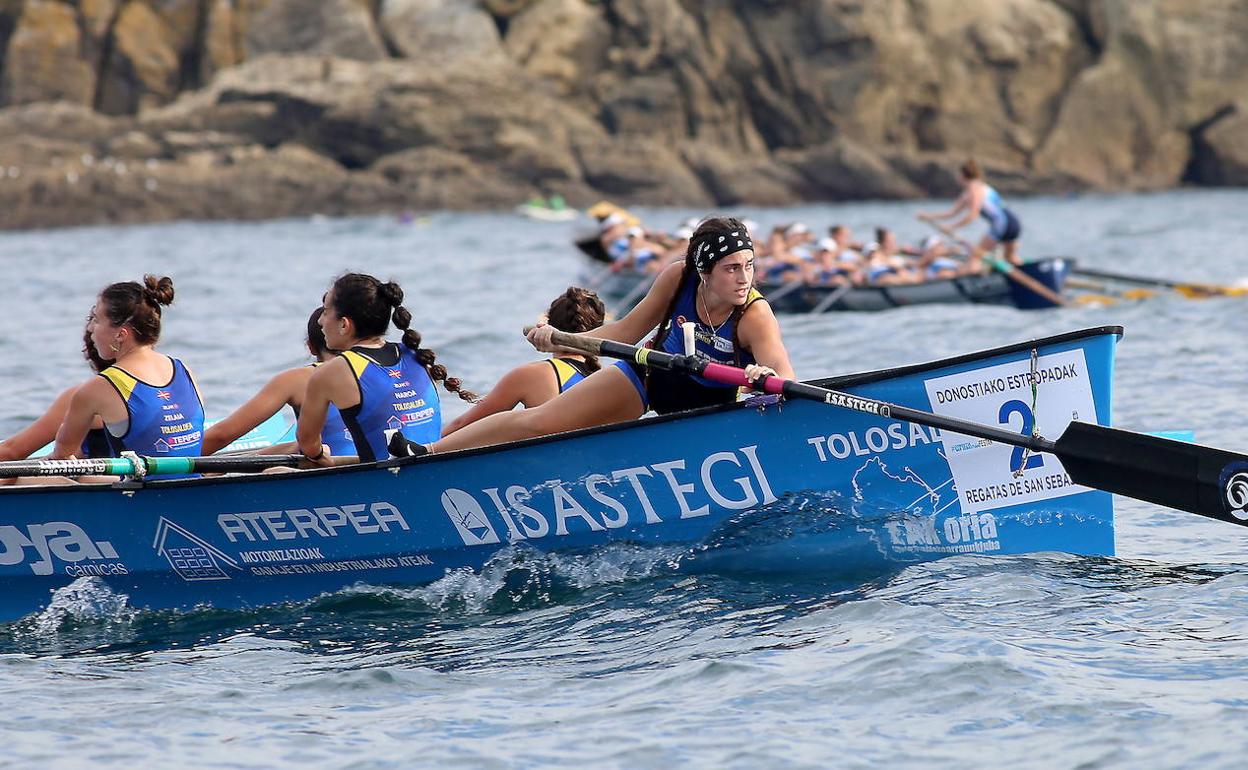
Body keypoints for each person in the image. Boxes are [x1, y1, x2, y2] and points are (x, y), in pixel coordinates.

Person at [429, 216, 794, 454]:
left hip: (705, 405)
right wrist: (559, 338)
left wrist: (765, 377)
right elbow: (625, 332)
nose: (744, 278)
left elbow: (783, 374)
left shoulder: (755, 315)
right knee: (539, 422)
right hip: (648, 376)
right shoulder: (676, 277)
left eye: (748, 266)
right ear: (704, 272)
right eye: (731, 269)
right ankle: (428, 453)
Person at [297, 273, 477, 465]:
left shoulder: (331, 372)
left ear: (344, 324)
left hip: (388, 480)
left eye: (325, 312)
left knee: (275, 472)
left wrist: (319, 455)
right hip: (440, 467)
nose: (320, 322)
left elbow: (307, 444)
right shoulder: (416, 354)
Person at [50, 276, 206, 472]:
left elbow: (62, 458)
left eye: (96, 320)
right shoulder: (184, 370)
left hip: (138, 495)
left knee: (21, 480)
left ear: (121, 335)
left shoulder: (98, 388)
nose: (90, 328)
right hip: (191, 486)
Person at [441, 287, 606, 436]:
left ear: (548, 325)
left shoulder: (533, 375)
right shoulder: (607, 378)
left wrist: (425, 449)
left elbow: (462, 425)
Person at [201, 308, 354, 456]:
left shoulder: (298, 379)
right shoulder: (375, 368)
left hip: (335, 475)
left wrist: (182, 458)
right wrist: (241, 460)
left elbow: (222, 435)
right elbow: (302, 446)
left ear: (311, 347)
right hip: (370, 467)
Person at [0, 322, 112, 481]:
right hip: (145, 482)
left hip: (105, 494)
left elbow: (11, 452)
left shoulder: (85, 394)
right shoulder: (157, 384)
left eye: (97, 319)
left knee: (9, 478)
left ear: (88, 352)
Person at [918, 158, 1023, 270]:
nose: (956, 177)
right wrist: (928, 216)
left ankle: (976, 282)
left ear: (963, 175)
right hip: (1013, 222)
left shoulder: (974, 188)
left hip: (1002, 224)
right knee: (1010, 257)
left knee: (976, 256)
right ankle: (1030, 273)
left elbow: (973, 215)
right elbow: (951, 213)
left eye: (958, 174)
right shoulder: (970, 191)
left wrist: (952, 227)